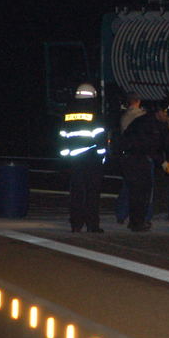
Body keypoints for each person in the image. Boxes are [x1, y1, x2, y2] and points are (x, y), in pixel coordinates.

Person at [119, 100, 169, 231]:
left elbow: (166, 141)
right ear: (159, 112)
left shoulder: (161, 123)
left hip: (144, 158)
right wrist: (163, 162)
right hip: (133, 157)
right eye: (166, 115)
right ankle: (136, 222)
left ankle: (137, 220)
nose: (168, 119)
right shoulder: (144, 123)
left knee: (145, 190)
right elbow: (147, 146)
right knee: (138, 191)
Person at [59, 82, 106, 233]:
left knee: (76, 192)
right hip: (91, 159)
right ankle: (92, 225)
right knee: (92, 193)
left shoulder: (68, 113)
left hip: (74, 160)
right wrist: (102, 157)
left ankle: (76, 224)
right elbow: (99, 138)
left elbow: (62, 136)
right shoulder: (95, 113)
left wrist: (66, 156)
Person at [115, 92, 145, 224]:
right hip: (138, 155)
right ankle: (142, 217)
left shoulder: (125, 116)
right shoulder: (138, 115)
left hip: (127, 155)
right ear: (138, 101)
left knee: (127, 186)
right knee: (140, 189)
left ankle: (121, 214)